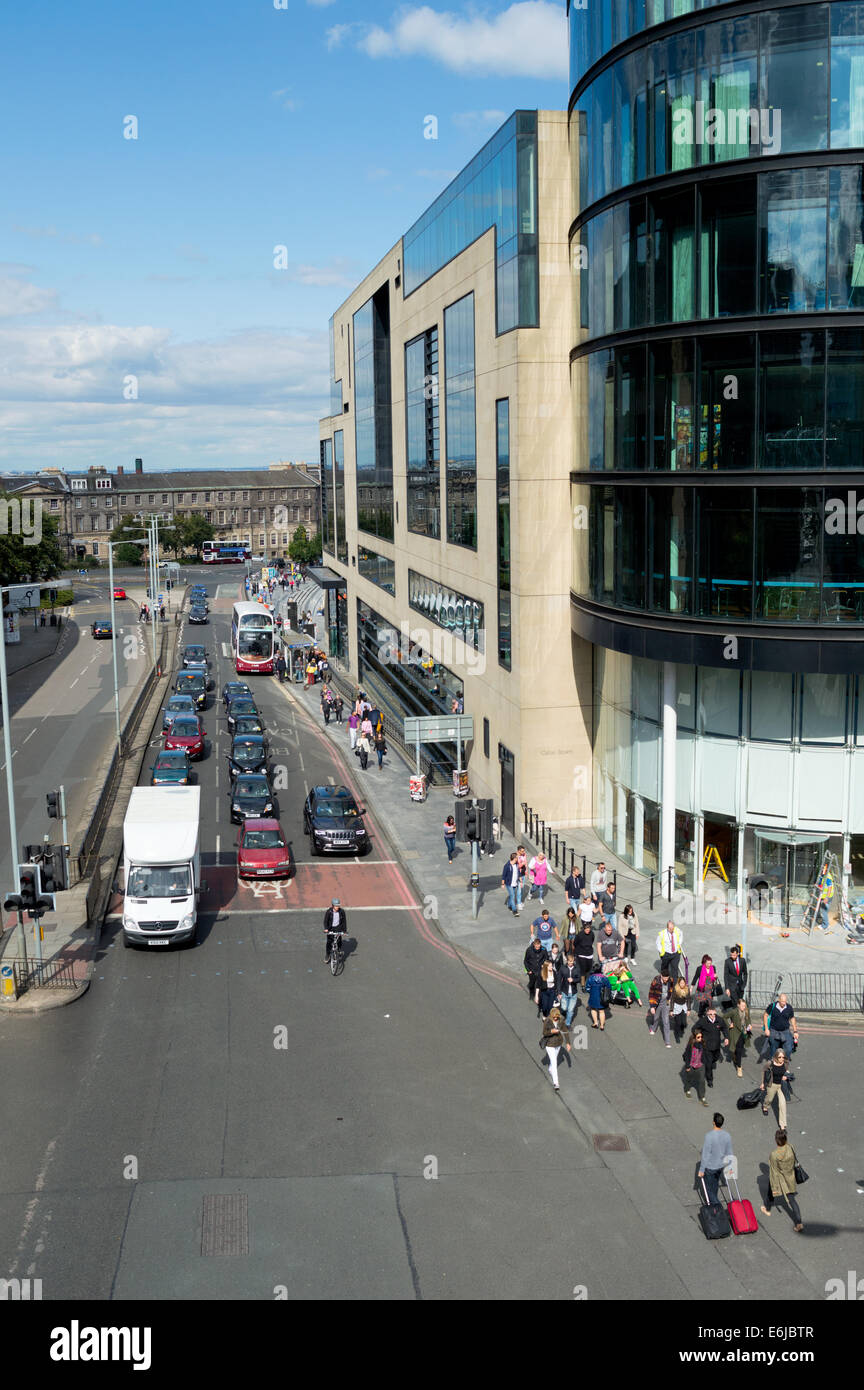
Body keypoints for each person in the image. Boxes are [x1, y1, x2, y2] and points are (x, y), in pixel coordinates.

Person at [761, 1129, 804, 1231]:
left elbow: (773, 1172)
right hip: (790, 1176)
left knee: (771, 1188)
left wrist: (775, 1187)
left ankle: (767, 1206)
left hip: (781, 1179)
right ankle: (799, 1223)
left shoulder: (774, 1154)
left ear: (776, 1140)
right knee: (792, 1200)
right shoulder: (790, 1147)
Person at [699, 1113, 733, 1206]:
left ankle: (717, 1207)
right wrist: (730, 1167)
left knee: (709, 1188)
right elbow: (729, 1152)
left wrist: (701, 1170)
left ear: (713, 1122)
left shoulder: (709, 1136)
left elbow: (705, 1154)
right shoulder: (727, 1135)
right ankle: (715, 1204)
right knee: (714, 1184)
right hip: (720, 1166)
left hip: (710, 1167)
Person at [698, 1003, 730, 1087]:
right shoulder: (703, 1021)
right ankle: (710, 1080)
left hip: (716, 1045)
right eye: (710, 1014)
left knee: (714, 1059)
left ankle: (709, 1061)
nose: (713, 1015)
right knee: (708, 1064)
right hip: (707, 1046)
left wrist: (726, 1038)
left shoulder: (719, 1020)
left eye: (714, 1014)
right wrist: (698, 1036)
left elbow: (724, 1028)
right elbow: (694, 1028)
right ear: (707, 1014)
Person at [541, 1006, 571, 1090]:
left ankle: (550, 1070)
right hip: (549, 1044)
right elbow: (544, 1033)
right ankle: (556, 1083)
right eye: (553, 1017)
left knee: (553, 1063)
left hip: (558, 1043)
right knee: (554, 1062)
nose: (555, 1018)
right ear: (551, 1016)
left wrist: (568, 1043)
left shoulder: (561, 1020)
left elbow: (565, 1031)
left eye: (556, 1017)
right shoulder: (547, 1021)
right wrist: (551, 1031)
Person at [761, 1048, 792, 1129]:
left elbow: (787, 1071)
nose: (782, 1059)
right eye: (780, 1057)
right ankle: (765, 1106)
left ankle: (783, 1125)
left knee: (782, 1104)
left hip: (781, 1085)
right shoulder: (770, 1063)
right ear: (776, 1057)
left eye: (783, 1057)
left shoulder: (785, 1063)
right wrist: (762, 1083)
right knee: (769, 1099)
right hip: (772, 1084)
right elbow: (764, 1071)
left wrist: (786, 1076)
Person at [723, 996, 753, 1077]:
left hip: (744, 1032)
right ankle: (739, 1067)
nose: (744, 1007)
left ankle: (735, 1056)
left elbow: (748, 1019)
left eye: (745, 1005)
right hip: (735, 1033)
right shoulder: (734, 1012)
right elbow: (724, 1017)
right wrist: (729, 1025)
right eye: (742, 1005)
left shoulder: (746, 1011)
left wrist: (749, 1025)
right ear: (738, 1005)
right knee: (739, 1049)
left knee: (739, 1048)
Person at [763, 993, 798, 1061]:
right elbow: (765, 1015)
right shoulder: (772, 1006)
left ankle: (784, 1064)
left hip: (785, 1031)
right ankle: (773, 1065)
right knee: (774, 1049)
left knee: (788, 1048)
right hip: (774, 1030)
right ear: (779, 1000)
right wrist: (766, 1029)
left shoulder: (789, 1007)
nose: (784, 1003)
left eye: (785, 1001)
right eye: (782, 1001)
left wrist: (795, 1031)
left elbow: (792, 1018)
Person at [647, 968, 673, 1045]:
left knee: (666, 1021)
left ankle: (667, 1041)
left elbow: (672, 989)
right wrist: (652, 1006)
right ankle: (653, 1028)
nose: (666, 980)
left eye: (667, 978)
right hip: (657, 1002)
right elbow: (651, 993)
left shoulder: (670, 980)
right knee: (656, 1017)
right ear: (661, 976)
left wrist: (670, 998)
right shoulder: (656, 981)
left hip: (666, 1003)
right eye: (664, 978)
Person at [683, 1027, 708, 1103]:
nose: (700, 1038)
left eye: (701, 1037)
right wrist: (687, 1066)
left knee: (701, 1081)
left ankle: (702, 1097)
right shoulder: (690, 1046)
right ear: (694, 1038)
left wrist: (705, 1062)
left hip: (700, 1065)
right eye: (698, 1037)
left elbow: (705, 1053)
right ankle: (687, 1090)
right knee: (689, 1079)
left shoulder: (702, 1044)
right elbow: (686, 1056)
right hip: (691, 1065)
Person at [557, 948, 581, 1028]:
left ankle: (567, 1023)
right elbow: (559, 980)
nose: (571, 963)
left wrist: (573, 980)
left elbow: (579, 979)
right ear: (567, 961)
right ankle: (563, 1012)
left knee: (570, 1010)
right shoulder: (562, 968)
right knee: (564, 1008)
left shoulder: (577, 968)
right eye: (569, 961)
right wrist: (559, 992)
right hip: (564, 991)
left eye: (572, 961)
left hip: (573, 993)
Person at [586, 961, 610, 1030]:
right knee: (601, 1011)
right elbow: (609, 987)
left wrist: (590, 992)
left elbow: (587, 987)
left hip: (593, 996)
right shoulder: (604, 978)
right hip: (602, 997)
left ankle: (595, 1023)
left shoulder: (591, 978)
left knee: (593, 1009)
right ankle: (602, 1025)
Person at [523, 937, 547, 1005]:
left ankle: (538, 996)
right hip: (532, 970)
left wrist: (543, 964)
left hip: (540, 970)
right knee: (532, 983)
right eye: (536, 945)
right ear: (534, 944)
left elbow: (546, 959)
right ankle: (531, 993)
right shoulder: (529, 950)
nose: (537, 946)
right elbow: (525, 961)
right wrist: (528, 970)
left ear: (540, 944)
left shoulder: (543, 949)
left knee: (539, 983)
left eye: (538, 945)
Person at [671, 976, 691, 1043]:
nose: (682, 984)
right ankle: (677, 1036)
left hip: (683, 1006)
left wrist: (688, 1009)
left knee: (684, 1023)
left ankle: (681, 1029)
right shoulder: (675, 989)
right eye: (681, 983)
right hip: (676, 1006)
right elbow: (672, 1000)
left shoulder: (686, 989)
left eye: (683, 983)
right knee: (678, 1023)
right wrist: (671, 1010)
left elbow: (688, 999)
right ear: (678, 983)